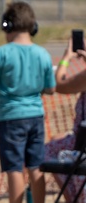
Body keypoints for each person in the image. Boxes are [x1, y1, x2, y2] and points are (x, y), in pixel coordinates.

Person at [0, 1, 56, 203]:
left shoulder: (2, 54)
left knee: (14, 168)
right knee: (36, 166)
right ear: (33, 27)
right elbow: (50, 88)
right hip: (36, 116)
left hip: (10, 119)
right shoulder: (43, 54)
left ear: (7, 26)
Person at [46, 36, 86, 202]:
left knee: (45, 153)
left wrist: (66, 58)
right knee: (55, 142)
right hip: (80, 142)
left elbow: (58, 84)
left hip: (82, 150)